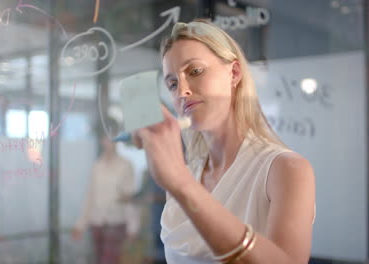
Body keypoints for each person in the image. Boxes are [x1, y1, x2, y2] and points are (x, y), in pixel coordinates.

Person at [132, 20, 316, 264]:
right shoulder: (187, 173)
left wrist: (182, 185)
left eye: (195, 71)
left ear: (234, 73)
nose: (182, 91)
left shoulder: (287, 169)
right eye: (172, 83)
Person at [72, 135, 136, 264]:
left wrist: (133, 227)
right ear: (102, 141)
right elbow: (90, 196)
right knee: (99, 259)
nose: (110, 142)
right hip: (97, 222)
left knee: (109, 260)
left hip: (116, 222)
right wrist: (80, 224)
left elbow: (129, 199)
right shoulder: (97, 166)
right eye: (107, 138)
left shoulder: (126, 166)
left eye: (113, 138)